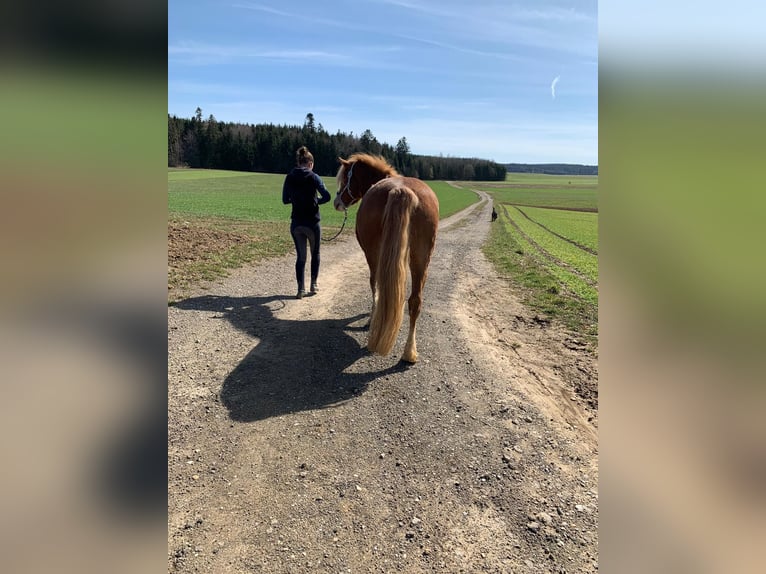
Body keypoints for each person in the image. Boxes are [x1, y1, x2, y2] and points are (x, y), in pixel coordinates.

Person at [282, 146, 331, 299]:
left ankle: (300, 289)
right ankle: (314, 284)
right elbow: (327, 196)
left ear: (299, 162)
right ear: (310, 163)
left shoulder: (289, 177)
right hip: (312, 223)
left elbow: (284, 200)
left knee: (301, 257)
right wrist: (315, 202)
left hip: (296, 224)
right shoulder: (314, 177)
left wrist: (297, 201)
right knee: (315, 253)